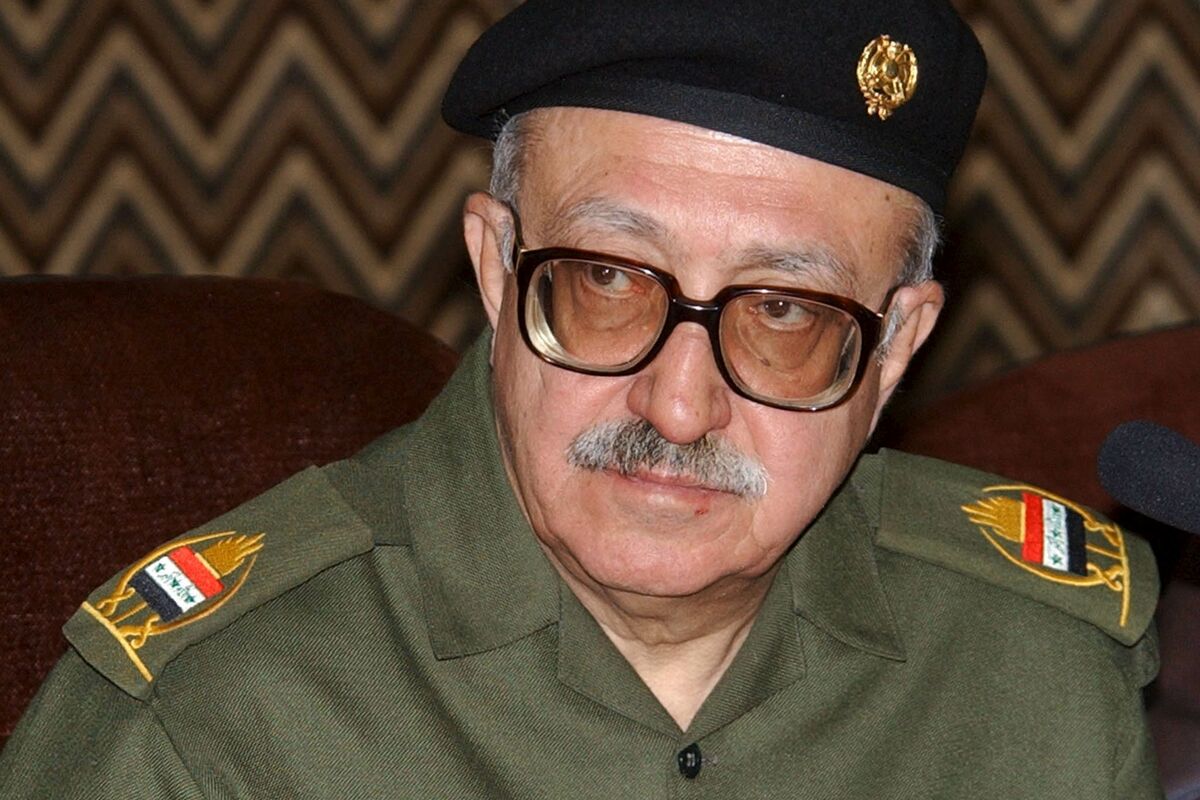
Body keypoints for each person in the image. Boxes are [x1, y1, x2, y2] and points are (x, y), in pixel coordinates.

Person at [0, 1, 1163, 797]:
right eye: (608, 283)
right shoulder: (212, 712)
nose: (678, 407)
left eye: (784, 312)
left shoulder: (1037, 673)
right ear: (497, 268)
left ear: (897, 344)